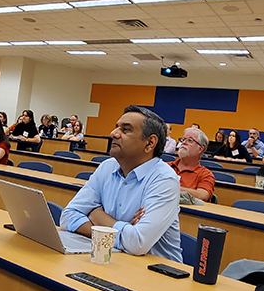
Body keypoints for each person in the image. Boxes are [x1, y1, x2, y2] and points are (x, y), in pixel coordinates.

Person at [60, 105, 182, 262]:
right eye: (116, 127)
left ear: (150, 143)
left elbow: (138, 242)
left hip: (157, 274)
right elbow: (67, 216)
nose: (113, 133)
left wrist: (96, 214)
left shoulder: (164, 180)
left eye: (125, 130)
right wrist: (119, 230)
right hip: (115, 259)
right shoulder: (107, 166)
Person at [168, 127, 214, 202]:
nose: (184, 143)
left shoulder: (205, 174)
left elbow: (202, 195)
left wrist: (170, 188)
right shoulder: (166, 166)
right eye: (183, 139)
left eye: (190, 140)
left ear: (200, 149)